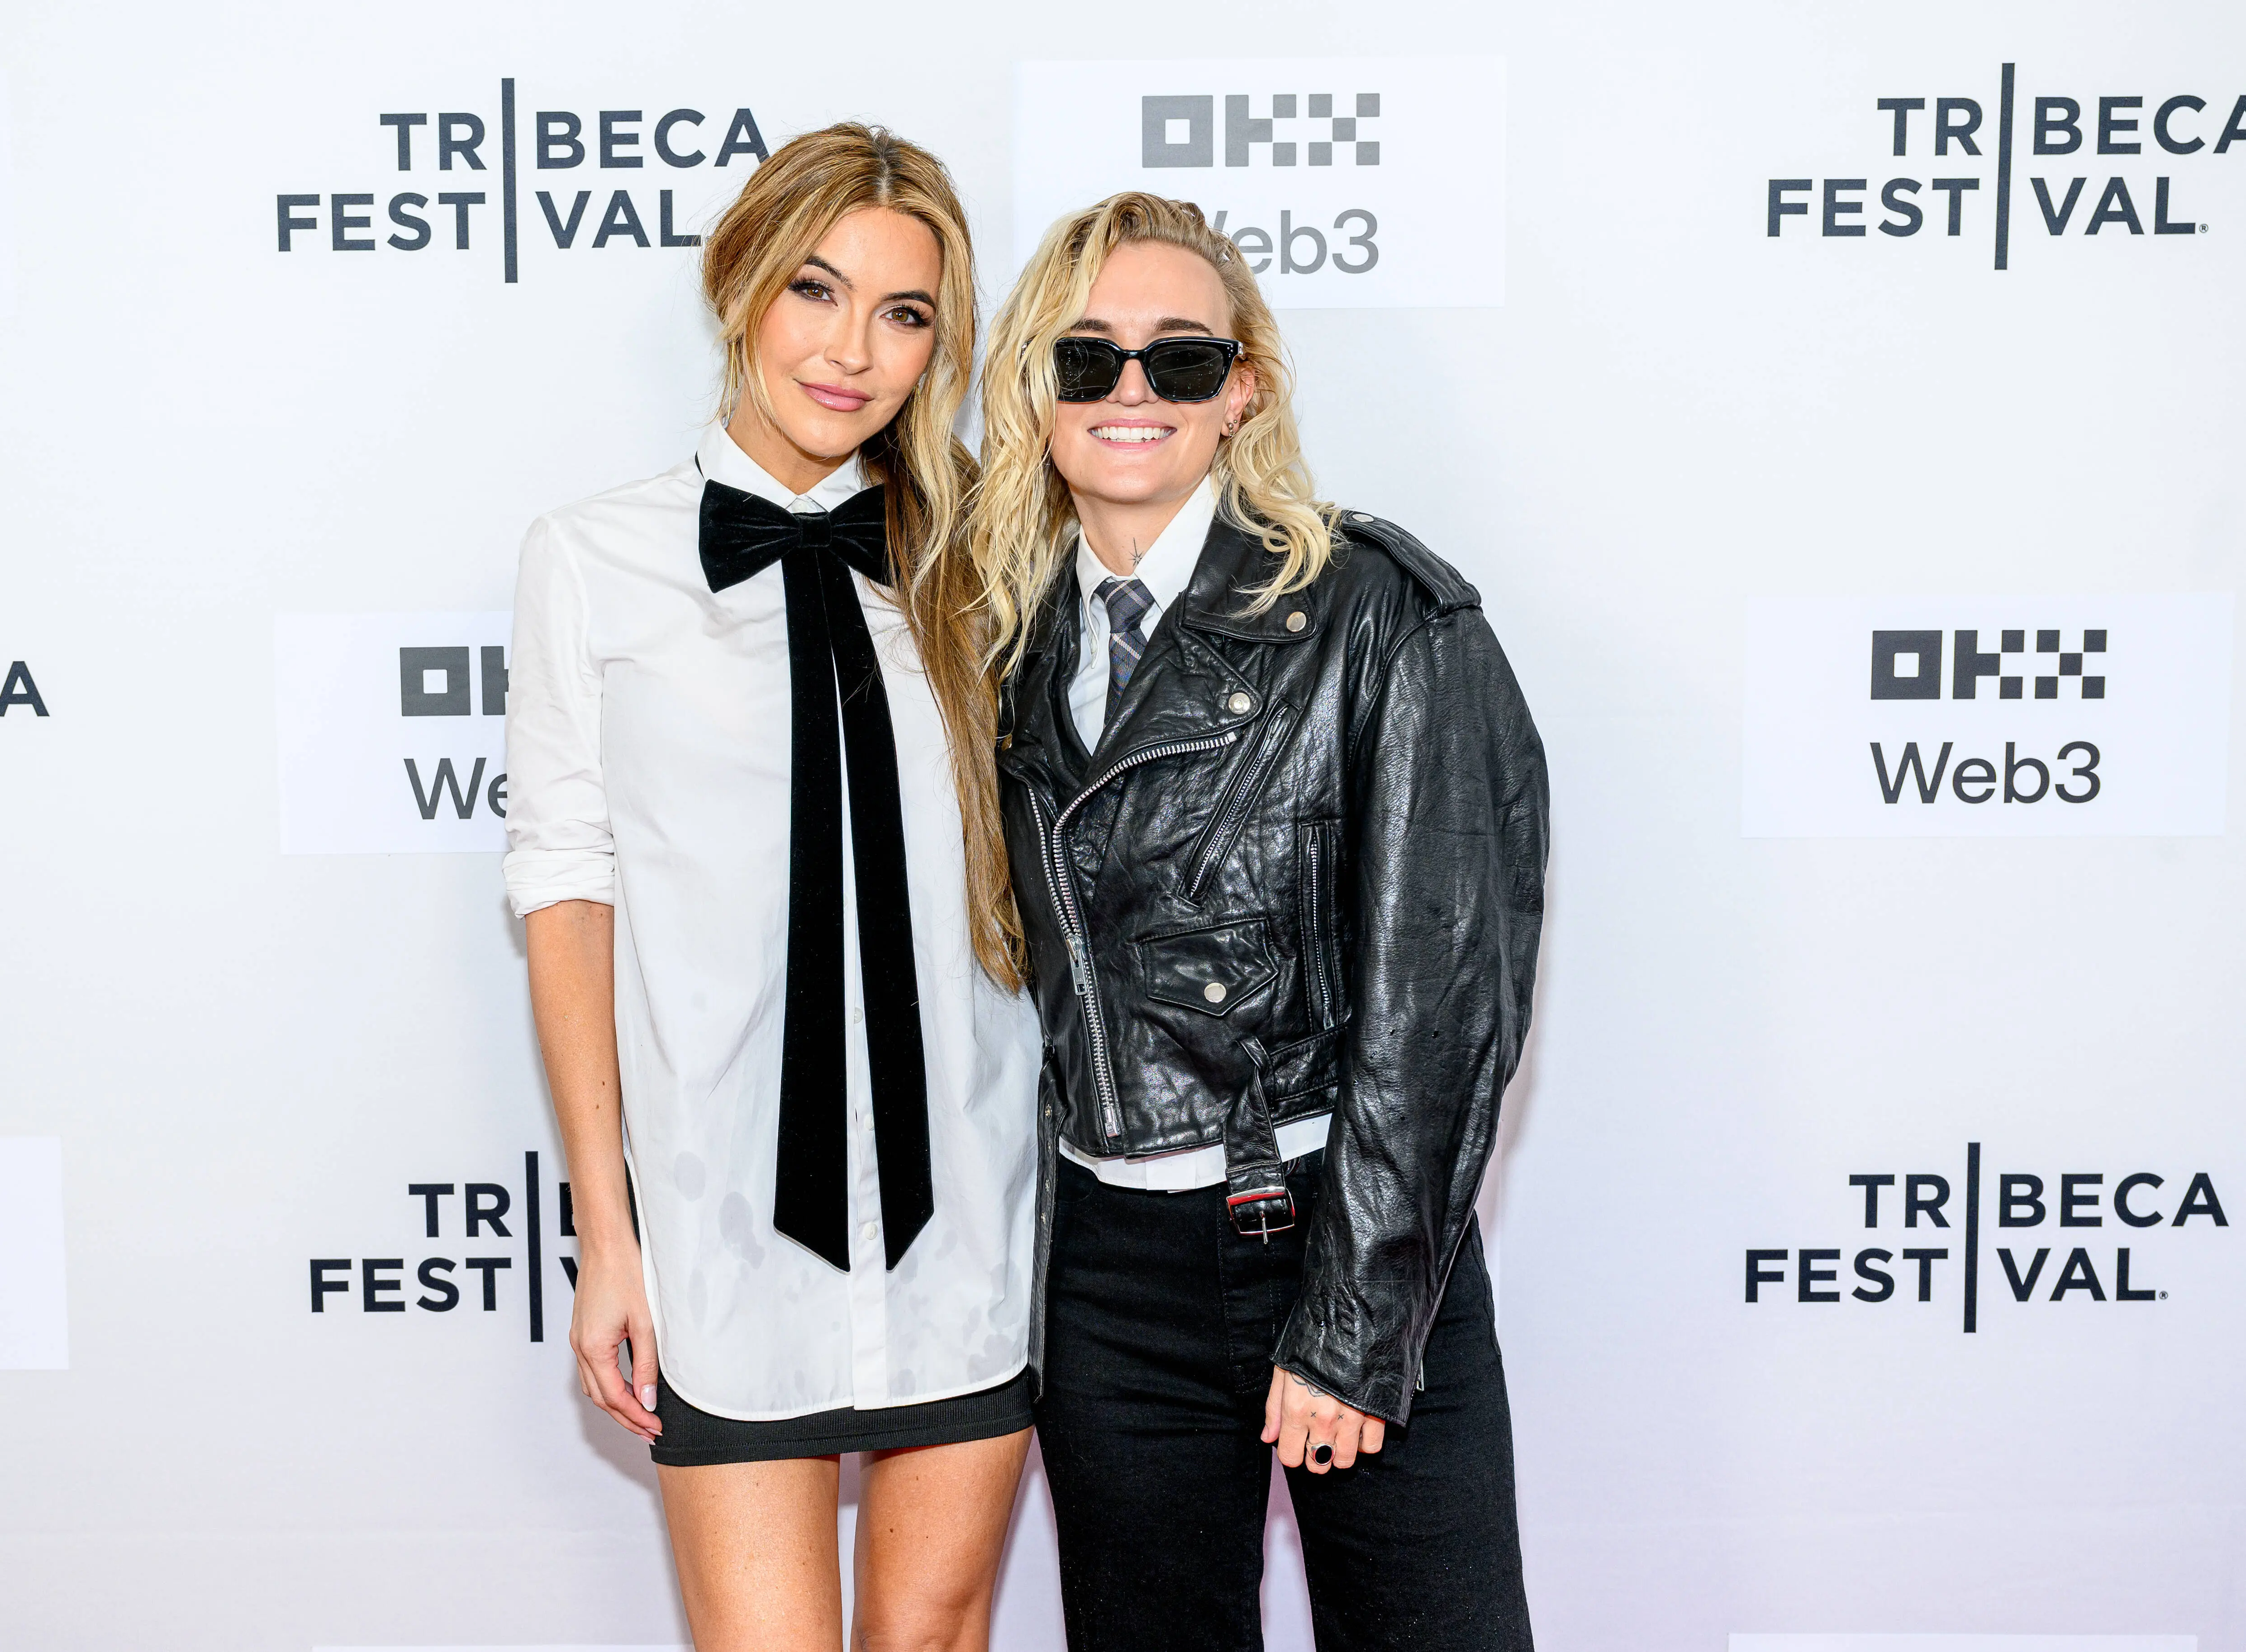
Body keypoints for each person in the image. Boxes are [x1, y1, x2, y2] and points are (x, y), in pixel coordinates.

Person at [970, 191, 1549, 1651]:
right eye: (1081, 357)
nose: (1127, 393)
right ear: (1028, 389)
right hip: (1105, 1276)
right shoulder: (985, 637)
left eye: (1176, 359)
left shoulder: (1377, 615)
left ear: (1243, 390)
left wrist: (1355, 1322)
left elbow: (1443, 1000)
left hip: (1331, 1230)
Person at [503, 124, 1038, 1652]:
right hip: (721, 1227)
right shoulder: (590, 561)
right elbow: (566, 902)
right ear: (738, 284)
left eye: (904, 312)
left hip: (973, 1218)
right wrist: (608, 1236)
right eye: (816, 289)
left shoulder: (986, 558)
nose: (852, 349)